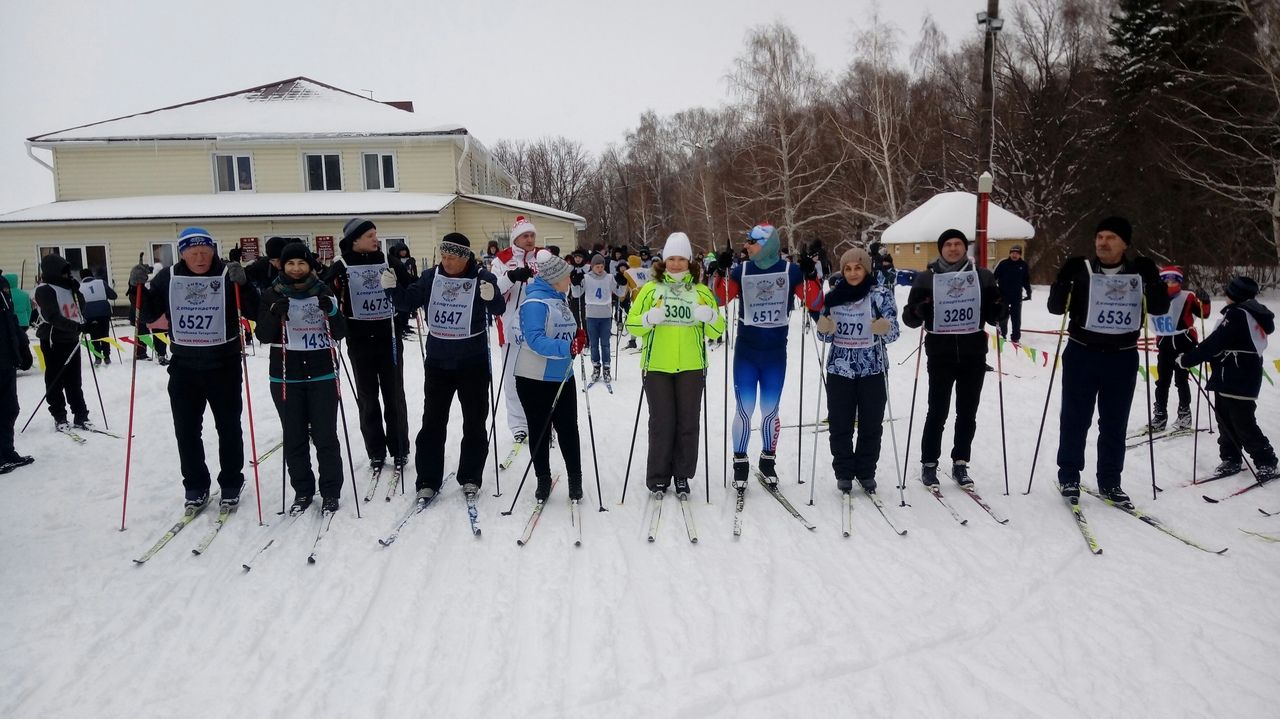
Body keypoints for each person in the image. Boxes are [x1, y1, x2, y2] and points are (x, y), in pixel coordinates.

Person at [1048, 216, 1167, 504]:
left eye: (1111, 237)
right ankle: (1069, 477)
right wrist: (1063, 279)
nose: (1103, 242)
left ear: (1125, 244)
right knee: (1075, 419)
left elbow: (1161, 308)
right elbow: (1054, 308)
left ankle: (1110, 481)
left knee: (1114, 423)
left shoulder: (1137, 273)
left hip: (1122, 356)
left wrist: (1153, 280)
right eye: (1100, 237)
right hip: (1082, 352)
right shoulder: (1083, 270)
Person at [384, 232, 505, 501]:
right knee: (432, 422)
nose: (446, 262)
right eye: (444, 256)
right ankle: (428, 479)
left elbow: (498, 308)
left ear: (465, 258)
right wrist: (391, 288)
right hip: (438, 361)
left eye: (452, 257)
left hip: (472, 361)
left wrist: (492, 295)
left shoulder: (481, 277)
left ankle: (471, 475)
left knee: (475, 421)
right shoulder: (430, 277)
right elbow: (407, 302)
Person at [144, 227, 258, 509]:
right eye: (193, 253)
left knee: (229, 427)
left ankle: (231, 480)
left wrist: (243, 285)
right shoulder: (168, 277)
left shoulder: (226, 273)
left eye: (205, 252)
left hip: (223, 364)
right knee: (186, 430)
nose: (200, 258)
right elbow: (146, 313)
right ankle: (195, 484)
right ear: (182, 253)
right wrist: (138, 289)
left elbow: (254, 311)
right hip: (184, 366)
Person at [901, 229, 1003, 487]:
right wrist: (919, 310)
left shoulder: (982, 276)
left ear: (965, 248)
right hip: (941, 353)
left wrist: (1002, 308)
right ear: (941, 248)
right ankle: (929, 463)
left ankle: (960, 462)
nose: (954, 248)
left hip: (973, 354)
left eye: (958, 244)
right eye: (948, 244)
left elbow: (994, 315)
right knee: (937, 411)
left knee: (967, 412)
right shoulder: (927, 277)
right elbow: (909, 319)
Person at [625, 232, 725, 494]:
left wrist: (711, 315)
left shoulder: (701, 291)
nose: (676, 264)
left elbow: (717, 331)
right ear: (664, 260)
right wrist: (648, 319)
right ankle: (658, 476)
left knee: (688, 423)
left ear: (690, 261)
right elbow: (632, 325)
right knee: (661, 423)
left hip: (691, 367)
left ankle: (682, 474)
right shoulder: (650, 289)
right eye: (672, 258)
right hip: (657, 367)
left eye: (682, 259)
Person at [255, 242, 347, 514]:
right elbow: (261, 335)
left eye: (301, 263)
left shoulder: (324, 290)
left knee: (325, 436)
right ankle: (303, 491)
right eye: (290, 264)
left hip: (322, 373)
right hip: (286, 376)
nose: (296, 269)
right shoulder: (272, 294)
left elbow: (341, 331)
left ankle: (331, 490)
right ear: (282, 266)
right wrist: (274, 314)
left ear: (310, 266)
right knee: (294, 437)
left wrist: (331, 311)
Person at [322, 217, 414, 482]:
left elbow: (410, 289)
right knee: (367, 396)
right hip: (359, 337)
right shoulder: (342, 264)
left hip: (388, 336)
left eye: (375, 234)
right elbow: (325, 294)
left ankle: (399, 448)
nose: (376, 239)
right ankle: (375, 450)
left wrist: (398, 290)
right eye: (370, 235)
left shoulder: (388, 261)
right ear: (355, 240)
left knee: (394, 393)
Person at [816, 247, 900, 493]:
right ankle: (843, 471)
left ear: (866, 268)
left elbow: (894, 332)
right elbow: (825, 335)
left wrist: (885, 327)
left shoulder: (880, 295)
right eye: (848, 269)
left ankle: (865, 471)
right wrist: (825, 327)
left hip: (872, 368)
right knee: (840, 423)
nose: (853, 273)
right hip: (840, 369)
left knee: (871, 423)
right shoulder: (833, 296)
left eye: (858, 267)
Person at [727, 223, 804, 487]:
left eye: (752, 241)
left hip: (774, 354)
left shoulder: (789, 271)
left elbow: (815, 304)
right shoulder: (742, 270)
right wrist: (720, 275)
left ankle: (767, 460)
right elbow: (720, 298)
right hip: (747, 353)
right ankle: (740, 461)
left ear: (768, 244)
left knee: (770, 410)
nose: (746, 246)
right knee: (744, 409)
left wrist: (811, 281)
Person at [1177, 276, 1277, 479]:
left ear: (1235, 294)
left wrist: (1187, 360)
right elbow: (1224, 344)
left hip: (1239, 375)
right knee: (1224, 419)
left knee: (1243, 421)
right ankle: (1231, 458)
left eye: (1229, 291)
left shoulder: (1238, 314)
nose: (1225, 295)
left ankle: (1266, 460)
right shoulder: (1245, 313)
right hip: (1229, 374)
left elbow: (1215, 342)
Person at [514, 250, 587, 502]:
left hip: (562, 375)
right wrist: (566, 348)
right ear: (555, 278)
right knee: (540, 430)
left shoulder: (559, 299)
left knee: (569, 429)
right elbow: (535, 340)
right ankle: (543, 480)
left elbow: (563, 333)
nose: (570, 280)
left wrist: (577, 339)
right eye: (567, 276)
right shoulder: (534, 303)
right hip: (533, 378)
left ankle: (575, 479)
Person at [490, 215, 541, 449]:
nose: (530, 239)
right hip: (510, 326)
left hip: (539, 326)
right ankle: (519, 426)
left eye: (532, 235)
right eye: (525, 236)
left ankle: (541, 423)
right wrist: (511, 276)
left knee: (538, 376)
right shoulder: (502, 259)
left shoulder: (543, 256)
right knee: (512, 379)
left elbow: (559, 283)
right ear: (515, 238)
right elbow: (492, 291)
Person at [1147, 266, 1211, 432]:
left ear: (1179, 281)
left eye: (1173, 280)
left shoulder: (1187, 296)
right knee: (1162, 382)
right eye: (1166, 280)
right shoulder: (1156, 297)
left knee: (1181, 381)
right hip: (1165, 345)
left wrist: (1205, 301)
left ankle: (1184, 415)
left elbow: (1204, 313)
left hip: (1185, 344)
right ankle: (1160, 415)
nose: (1169, 283)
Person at [33, 254, 91, 432]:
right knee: (55, 380)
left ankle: (81, 415)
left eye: (68, 273)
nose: (68, 276)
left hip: (71, 340)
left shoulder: (69, 288)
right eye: (64, 273)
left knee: (74, 381)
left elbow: (80, 308)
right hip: (53, 340)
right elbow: (52, 316)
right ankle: (59, 416)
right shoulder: (45, 289)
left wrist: (76, 290)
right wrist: (75, 326)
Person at [571, 254, 626, 384]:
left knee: (605, 344)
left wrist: (622, 283)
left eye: (602, 266)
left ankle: (607, 368)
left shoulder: (609, 278)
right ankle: (596, 367)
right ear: (592, 266)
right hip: (591, 315)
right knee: (594, 345)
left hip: (605, 315)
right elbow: (576, 294)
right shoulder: (586, 277)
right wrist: (575, 283)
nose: (600, 269)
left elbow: (620, 293)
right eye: (597, 266)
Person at [0, 272, 34, 474]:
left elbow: (10, 318)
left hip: (6, 358)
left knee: (10, 408)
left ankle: (7, 451)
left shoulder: (2, 283)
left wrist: (23, 345)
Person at [993, 245, 1032, 343]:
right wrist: (994, 291)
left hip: (1016, 296)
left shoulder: (1023, 265)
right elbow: (994, 278)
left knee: (1016, 318)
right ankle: (1002, 336)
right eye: (1013, 253)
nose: (1014, 255)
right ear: (1010, 253)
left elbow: (1026, 280)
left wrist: (1028, 292)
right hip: (1003, 295)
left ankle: (1015, 338)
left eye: (1017, 254)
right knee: (1003, 316)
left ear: (1020, 255)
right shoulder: (1003, 264)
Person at [78, 269, 118, 365]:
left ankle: (97, 357)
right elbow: (113, 296)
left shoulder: (79, 286)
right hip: (104, 312)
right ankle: (107, 357)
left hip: (89, 313)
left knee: (94, 336)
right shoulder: (101, 282)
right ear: (92, 274)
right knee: (104, 334)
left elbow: (78, 302)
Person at [127, 259, 151, 360]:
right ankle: (140, 353)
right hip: (139, 314)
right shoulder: (136, 289)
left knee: (142, 332)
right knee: (142, 333)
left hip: (140, 313)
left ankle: (141, 352)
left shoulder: (135, 287)